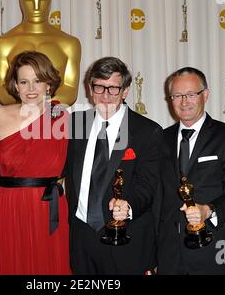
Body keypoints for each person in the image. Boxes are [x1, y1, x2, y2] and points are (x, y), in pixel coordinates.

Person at [64, 57, 163, 274]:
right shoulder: (74, 124)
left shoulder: (148, 131)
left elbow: (148, 185)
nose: (106, 96)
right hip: (81, 238)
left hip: (126, 239)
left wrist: (129, 207)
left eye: (113, 89)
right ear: (90, 89)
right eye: (99, 87)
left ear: (125, 91)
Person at [157, 67, 225, 274]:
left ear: (205, 95)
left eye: (190, 94)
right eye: (177, 95)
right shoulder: (161, 139)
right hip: (169, 254)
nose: (184, 102)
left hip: (215, 250)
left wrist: (208, 210)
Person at [0, 51, 71, 275]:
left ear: (49, 84)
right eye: (24, 82)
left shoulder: (63, 117)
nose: (31, 89)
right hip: (9, 207)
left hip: (49, 207)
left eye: (38, 80)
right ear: (15, 85)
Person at [0, 0, 81, 106]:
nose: (36, 7)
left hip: (54, 119)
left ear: (50, 1)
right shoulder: (2, 44)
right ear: (21, 2)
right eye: (29, 1)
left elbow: (70, 90)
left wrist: (40, 107)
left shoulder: (70, 43)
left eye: (42, 0)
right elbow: (3, 92)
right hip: (16, 120)